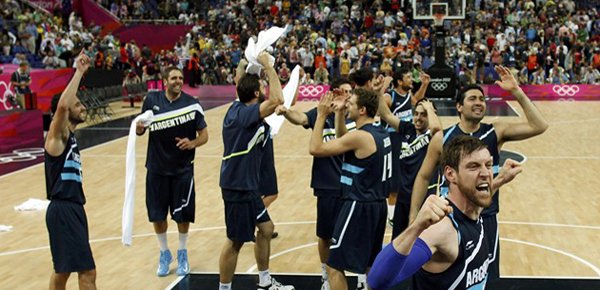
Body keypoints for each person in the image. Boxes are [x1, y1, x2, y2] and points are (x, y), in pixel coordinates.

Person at [409, 66, 549, 283]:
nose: (479, 103)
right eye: (473, 98)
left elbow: (539, 126)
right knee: (442, 278)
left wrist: (516, 91)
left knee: (483, 279)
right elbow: (422, 177)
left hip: (485, 217)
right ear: (459, 106)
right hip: (448, 217)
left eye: (482, 99)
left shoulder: (495, 132)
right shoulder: (442, 138)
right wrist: (414, 217)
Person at [368, 136, 522, 290]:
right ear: (450, 174)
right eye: (473, 166)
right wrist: (417, 226)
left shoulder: (472, 209)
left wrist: (500, 178)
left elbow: (477, 199)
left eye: (488, 165)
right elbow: (377, 281)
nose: (485, 173)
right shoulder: (442, 230)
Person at [218, 51, 293, 290]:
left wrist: (250, 60)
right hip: (237, 187)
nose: (265, 88)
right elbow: (277, 99)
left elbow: (246, 80)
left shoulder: (246, 110)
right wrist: (268, 66)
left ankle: (264, 281)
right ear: (256, 93)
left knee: (266, 229)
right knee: (235, 241)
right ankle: (224, 288)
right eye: (262, 86)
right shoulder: (242, 114)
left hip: (249, 186)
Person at [275, 78, 355, 290]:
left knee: (351, 234)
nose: (348, 95)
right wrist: (286, 112)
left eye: (351, 92)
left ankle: (354, 275)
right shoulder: (321, 114)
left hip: (351, 185)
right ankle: (325, 273)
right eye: (345, 91)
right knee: (325, 235)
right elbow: (301, 118)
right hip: (327, 184)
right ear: (335, 93)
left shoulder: (355, 117)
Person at [308, 88, 390, 290]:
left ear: (362, 110)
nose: (347, 105)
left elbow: (316, 148)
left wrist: (321, 116)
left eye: (350, 104)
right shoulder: (380, 132)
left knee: (334, 265)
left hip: (358, 204)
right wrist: (339, 114)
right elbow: (344, 136)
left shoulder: (361, 137)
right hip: (378, 205)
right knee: (372, 266)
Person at [136, 66, 209, 277]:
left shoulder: (192, 104)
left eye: (180, 78)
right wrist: (139, 128)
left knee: (182, 215)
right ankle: (164, 253)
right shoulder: (152, 101)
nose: (178, 81)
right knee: (157, 215)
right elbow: (141, 129)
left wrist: (192, 142)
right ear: (165, 80)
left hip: (182, 169)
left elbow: (204, 135)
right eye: (174, 78)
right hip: (156, 169)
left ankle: (183, 252)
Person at [44, 50, 97, 290]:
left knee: (62, 271)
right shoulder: (58, 138)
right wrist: (79, 72)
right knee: (87, 271)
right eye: (78, 103)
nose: (82, 106)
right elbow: (63, 107)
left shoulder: (71, 139)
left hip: (72, 209)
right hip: (63, 208)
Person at [377, 93, 442, 238]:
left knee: (420, 241)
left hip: (424, 199)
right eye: (416, 113)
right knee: (399, 239)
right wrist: (378, 92)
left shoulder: (434, 137)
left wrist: (430, 109)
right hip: (404, 196)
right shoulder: (408, 129)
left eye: (423, 115)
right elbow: (386, 115)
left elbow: (437, 128)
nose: (418, 118)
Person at [380, 69, 430, 227]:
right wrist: (380, 90)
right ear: (399, 81)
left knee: (407, 179)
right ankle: (391, 217)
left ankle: (400, 213)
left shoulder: (408, 96)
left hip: (407, 140)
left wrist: (424, 85)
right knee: (394, 185)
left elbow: (416, 100)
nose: (411, 79)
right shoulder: (390, 97)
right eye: (408, 77)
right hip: (393, 141)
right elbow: (379, 110)